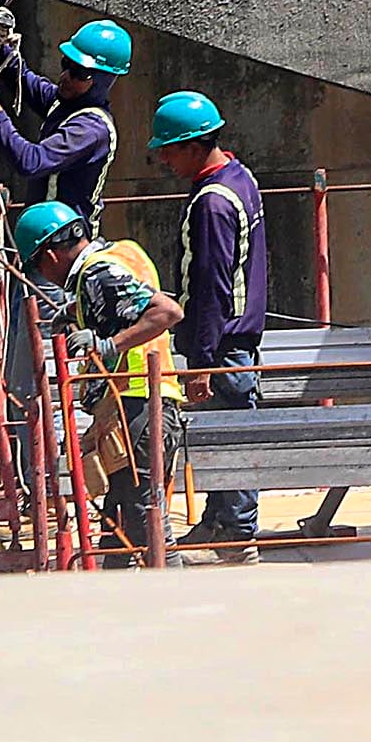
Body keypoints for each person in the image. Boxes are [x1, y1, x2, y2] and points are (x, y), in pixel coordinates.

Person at [14, 199, 179, 557]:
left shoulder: (96, 273)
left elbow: (167, 311)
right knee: (120, 526)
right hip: (137, 407)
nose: (45, 277)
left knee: (146, 529)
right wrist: (76, 312)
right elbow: (125, 302)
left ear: (50, 255)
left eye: (39, 267)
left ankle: (173, 604)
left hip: (136, 407)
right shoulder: (121, 254)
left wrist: (107, 343)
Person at [152, 89, 268, 549]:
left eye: (169, 149)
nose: (163, 159)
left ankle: (236, 536)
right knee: (223, 440)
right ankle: (219, 522)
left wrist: (199, 361)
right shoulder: (240, 178)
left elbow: (211, 287)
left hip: (222, 342)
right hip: (234, 336)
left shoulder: (213, 203)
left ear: (195, 146)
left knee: (233, 441)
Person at [0, 17, 130, 218]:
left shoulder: (90, 130)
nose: (65, 76)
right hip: (44, 230)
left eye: (79, 73)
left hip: (66, 241)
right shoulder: (64, 101)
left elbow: (31, 162)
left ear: (102, 82)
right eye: (66, 65)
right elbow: (20, 77)